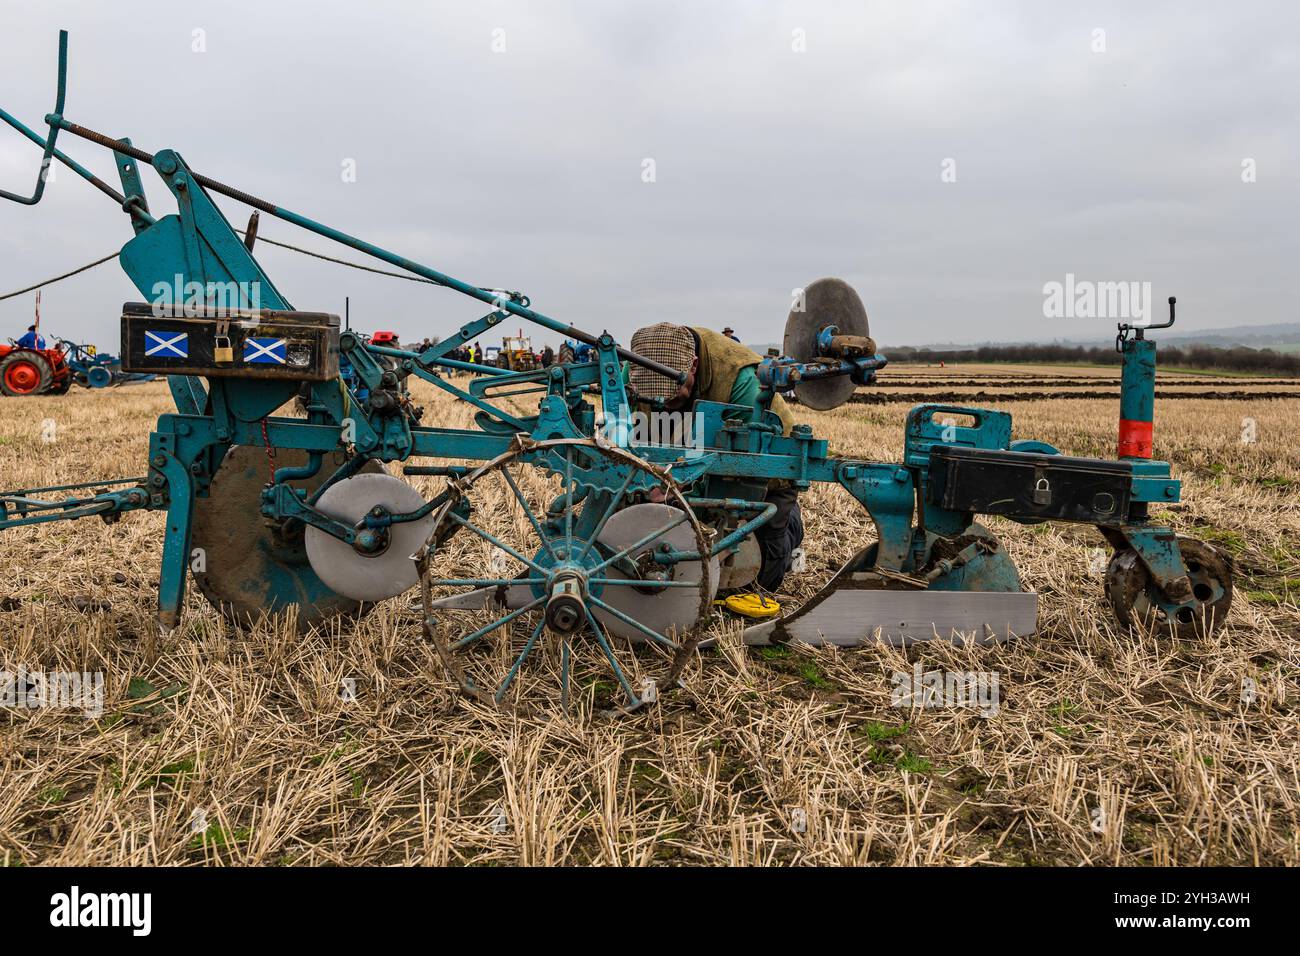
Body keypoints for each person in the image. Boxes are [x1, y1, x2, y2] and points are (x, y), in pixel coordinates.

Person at [626, 322, 803, 592]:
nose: (663, 404)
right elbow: (621, 436)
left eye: (672, 397)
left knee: (762, 581)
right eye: (654, 400)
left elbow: (746, 468)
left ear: (693, 366)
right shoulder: (634, 371)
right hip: (674, 461)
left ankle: (791, 526)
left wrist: (679, 484)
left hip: (758, 478)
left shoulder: (742, 383)